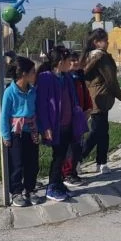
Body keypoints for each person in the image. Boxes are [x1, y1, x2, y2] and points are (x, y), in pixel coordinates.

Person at [37, 46, 89, 201]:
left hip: (68, 124)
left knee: (65, 155)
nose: (72, 63)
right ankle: (52, 186)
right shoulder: (45, 78)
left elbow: (73, 99)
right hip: (54, 126)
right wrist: (45, 127)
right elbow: (41, 106)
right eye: (68, 61)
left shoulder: (66, 77)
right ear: (60, 62)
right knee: (58, 156)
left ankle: (59, 183)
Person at [81, 29, 121, 174]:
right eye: (105, 40)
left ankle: (102, 162)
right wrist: (119, 94)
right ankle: (78, 158)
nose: (108, 43)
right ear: (96, 42)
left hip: (92, 97)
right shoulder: (102, 57)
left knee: (101, 131)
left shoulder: (87, 56)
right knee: (98, 132)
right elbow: (110, 79)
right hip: (101, 98)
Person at [0, 56, 39, 207]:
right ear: (24, 74)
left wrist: (40, 129)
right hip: (16, 133)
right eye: (33, 71)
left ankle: (30, 189)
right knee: (17, 163)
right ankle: (16, 191)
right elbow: (4, 116)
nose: (35, 74)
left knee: (32, 163)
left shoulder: (33, 91)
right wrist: (6, 135)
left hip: (31, 131)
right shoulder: (10, 92)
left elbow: (37, 112)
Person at [62, 50, 92, 187]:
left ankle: (73, 172)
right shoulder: (66, 79)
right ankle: (67, 174)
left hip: (80, 116)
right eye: (71, 60)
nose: (74, 63)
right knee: (69, 148)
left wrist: (88, 109)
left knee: (77, 146)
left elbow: (86, 95)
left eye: (76, 60)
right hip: (69, 118)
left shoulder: (80, 78)